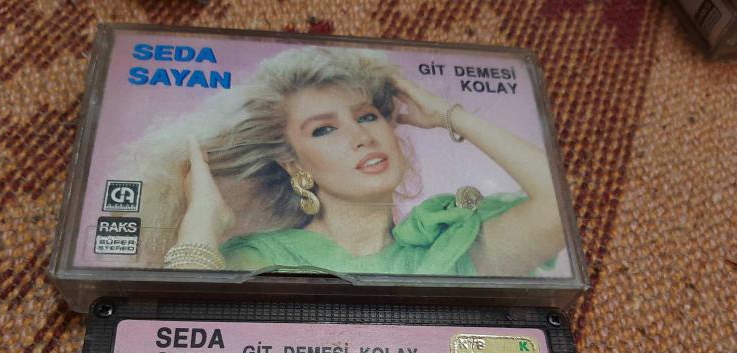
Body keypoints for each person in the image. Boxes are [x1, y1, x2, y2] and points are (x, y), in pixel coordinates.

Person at [130, 46, 565, 276]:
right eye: (324, 129)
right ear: (293, 164)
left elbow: (557, 209)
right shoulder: (259, 259)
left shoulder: (449, 248)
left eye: (367, 116)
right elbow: (187, 333)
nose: (361, 137)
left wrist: (449, 115)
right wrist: (203, 221)